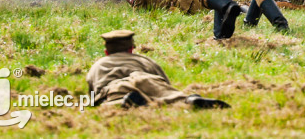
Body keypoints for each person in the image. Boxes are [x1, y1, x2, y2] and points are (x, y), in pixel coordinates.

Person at [86, 30, 228, 108]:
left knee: (107, 103)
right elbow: (165, 83)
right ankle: (189, 100)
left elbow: (93, 97)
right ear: (131, 49)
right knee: (166, 94)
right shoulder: (143, 60)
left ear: (106, 52)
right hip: (146, 80)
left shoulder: (97, 65)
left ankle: (125, 102)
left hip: (115, 89)